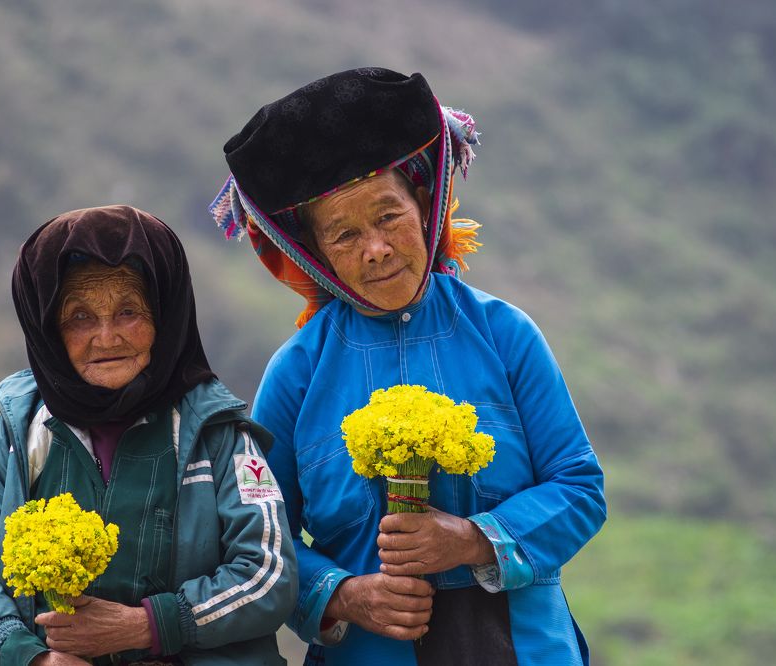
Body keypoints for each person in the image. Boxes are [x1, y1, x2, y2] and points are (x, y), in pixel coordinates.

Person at [209, 68, 606, 665]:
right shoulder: (295, 373)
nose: (376, 247)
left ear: (424, 206)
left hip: (525, 647)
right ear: (315, 253)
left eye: (388, 215)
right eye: (344, 234)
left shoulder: (506, 334)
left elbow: (579, 488)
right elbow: (261, 540)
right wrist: (344, 596)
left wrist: (472, 540)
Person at [0, 205, 297, 666]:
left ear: (164, 315)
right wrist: (31, 657)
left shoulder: (216, 431)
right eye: (80, 317)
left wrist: (148, 625)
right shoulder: (19, 430)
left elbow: (269, 575)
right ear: (48, 329)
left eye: (128, 311)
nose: (106, 338)